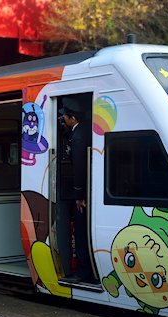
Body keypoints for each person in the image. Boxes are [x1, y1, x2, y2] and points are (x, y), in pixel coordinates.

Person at [58, 97, 95, 283]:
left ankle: (83, 272)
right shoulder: (85, 129)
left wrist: (79, 195)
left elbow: (79, 167)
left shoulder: (79, 137)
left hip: (84, 194)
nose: (62, 119)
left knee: (81, 232)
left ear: (72, 118)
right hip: (91, 191)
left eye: (64, 117)